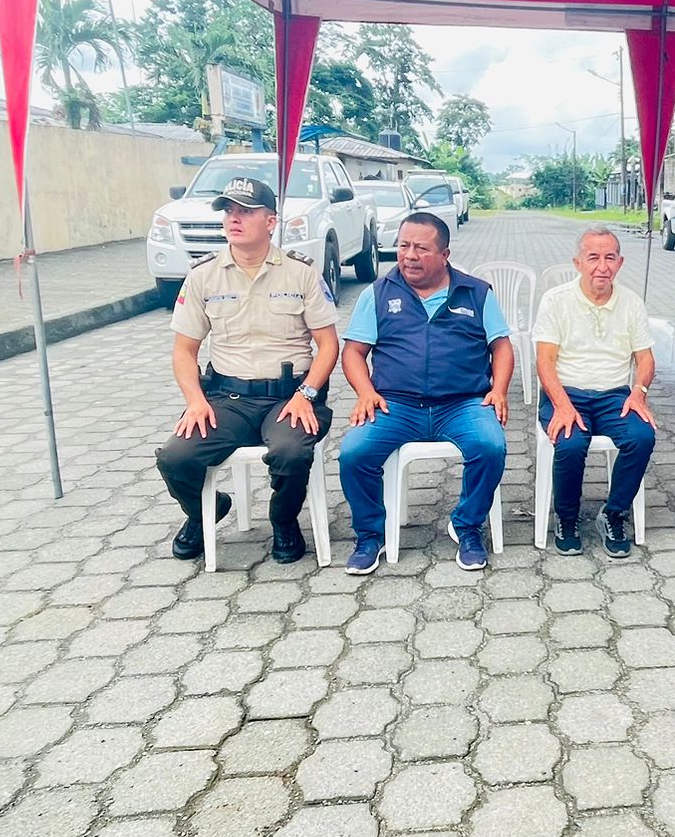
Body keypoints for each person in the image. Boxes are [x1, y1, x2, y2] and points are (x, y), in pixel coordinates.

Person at [156, 177, 340, 564]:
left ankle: (284, 520)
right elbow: (184, 350)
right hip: (228, 399)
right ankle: (204, 512)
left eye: (245, 211)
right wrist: (195, 401)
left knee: (291, 453)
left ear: (271, 222)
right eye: (228, 211)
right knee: (175, 457)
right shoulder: (203, 275)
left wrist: (307, 394)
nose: (233, 219)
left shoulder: (301, 272)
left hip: (290, 397)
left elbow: (328, 345)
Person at [337, 212, 513, 575]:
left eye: (421, 248)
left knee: (490, 447)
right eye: (404, 246)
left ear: (444, 254)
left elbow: (501, 346)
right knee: (354, 453)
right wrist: (365, 392)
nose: (409, 256)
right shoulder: (378, 293)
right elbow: (353, 352)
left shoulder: (476, 293)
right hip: (396, 405)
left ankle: (466, 525)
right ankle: (370, 534)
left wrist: (499, 390)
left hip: (463, 403)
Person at [534, 225, 657, 558]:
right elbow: (544, 361)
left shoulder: (631, 302)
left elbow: (645, 358)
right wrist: (562, 405)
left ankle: (614, 514)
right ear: (578, 263)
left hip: (614, 395)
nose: (602, 266)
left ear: (620, 262)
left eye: (610, 258)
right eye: (593, 258)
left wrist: (639, 391)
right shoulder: (556, 300)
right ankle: (566, 518)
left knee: (642, 436)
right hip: (565, 392)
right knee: (571, 443)